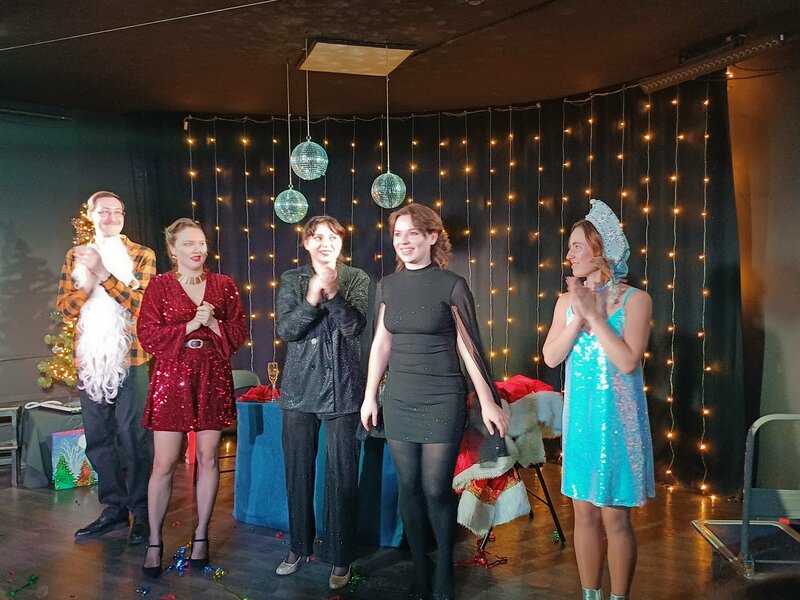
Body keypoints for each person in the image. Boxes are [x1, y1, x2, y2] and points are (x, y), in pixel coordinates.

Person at [361, 203, 509, 600]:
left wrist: (487, 400)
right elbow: (381, 344)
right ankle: (421, 571)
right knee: (408, 489)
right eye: (398, 234)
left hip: (442, 397)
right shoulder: (388, 286)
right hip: (399, 398)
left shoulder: (451, 285)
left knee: (435, 490)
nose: (404, 241)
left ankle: (444, 568)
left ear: (431, 237)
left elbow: (468, 347)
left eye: (412, 233)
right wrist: (370, 396)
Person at [543, 199, 655, 600]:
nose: (569, 255)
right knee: (584, 515)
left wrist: (594, 316)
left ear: (601, 249)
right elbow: (551, 357)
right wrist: (578, 313)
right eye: (569, 247)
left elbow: (627, 361)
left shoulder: (636, 300)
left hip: (619, 425)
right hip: (582, 422)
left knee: (615, 518)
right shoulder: (564, 303)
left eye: (577, 246)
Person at [136, 218, 246, 578]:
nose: (197, 249)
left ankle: (201, 537)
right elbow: (147, 334)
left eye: (201, 243)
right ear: (173, 249)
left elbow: (239, 332)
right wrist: (189, 325)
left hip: (212, 374)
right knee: (164, 463)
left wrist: (212, 324)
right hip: (172, 377)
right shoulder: (159, 286)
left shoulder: (224, 285)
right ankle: (155, 541)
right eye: (188, 244)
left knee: (208, 457)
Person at [274, 215, 370, 591]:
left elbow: (354, 327)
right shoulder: (292, 279)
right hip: (298, 390)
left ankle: (340, 555)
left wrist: (332, 294)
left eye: (332, 237)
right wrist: (312, 296)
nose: (325, 243)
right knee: (297, 471)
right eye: (317, 237)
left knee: (342, 476)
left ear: (341, 243)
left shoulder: (356, 278)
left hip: (343, 389)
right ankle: (298, 546)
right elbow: (287, 330)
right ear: (306, 243)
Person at [57, 191, 155, 545]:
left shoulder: (141, 254)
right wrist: (86, 285)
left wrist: (103, 275)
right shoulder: (76, 256)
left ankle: (142, 511)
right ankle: (114, 508)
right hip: (91, 359)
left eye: (117, 211)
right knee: (98, 437)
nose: (112, 217)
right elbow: (66, 308)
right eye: (104, 212)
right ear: (91, 215)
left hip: (131, 357)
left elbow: (142, 304)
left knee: (134, 437)